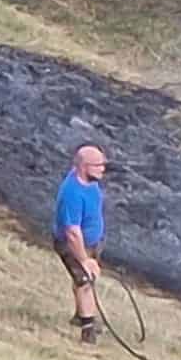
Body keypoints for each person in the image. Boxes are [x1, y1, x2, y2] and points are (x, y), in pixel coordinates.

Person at [53, 144, 109, 346]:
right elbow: (72, 232)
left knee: (84, 280)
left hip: (91, 241)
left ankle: (79, 314)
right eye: (98, 165)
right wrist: (84, 259)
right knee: (85, 280)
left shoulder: (89, 181)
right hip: (73, 244)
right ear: (84, 167)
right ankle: (88, 329)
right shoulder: (72, 194)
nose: (103, 169)